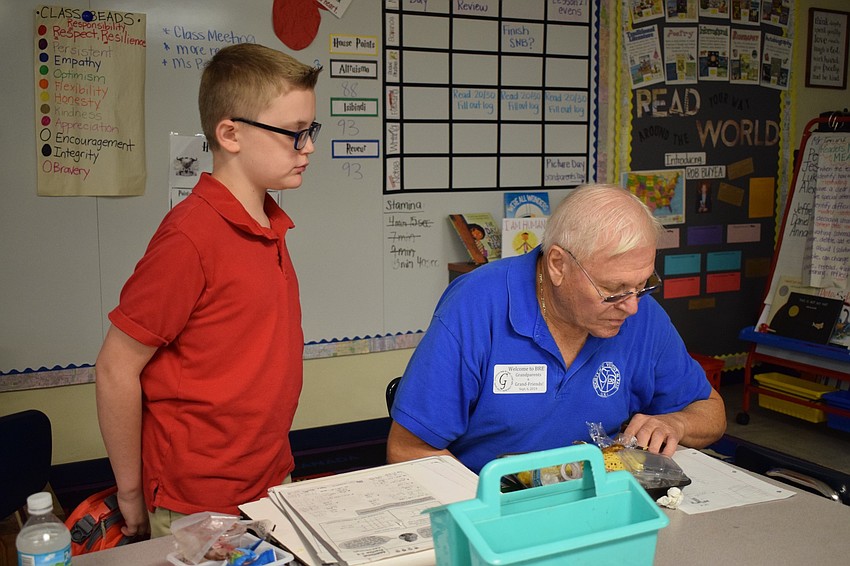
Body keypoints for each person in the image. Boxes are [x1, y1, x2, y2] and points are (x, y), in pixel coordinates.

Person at [95, 43, 321, 538]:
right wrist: (130, 494)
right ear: (230, 133)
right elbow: (116, 366)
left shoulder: (269, 222)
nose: (308, 148)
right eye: (295, 134)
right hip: (194, 501)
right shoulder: (190, 236)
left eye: (311, 131)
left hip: (267, 480)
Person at [387, 184, 726, 474]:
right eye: (614, 289)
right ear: (558, 265)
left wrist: (676, 423)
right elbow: (407, 450)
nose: (632, 306)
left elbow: (711, 412)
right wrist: (490, 516)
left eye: (642, 285)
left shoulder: (641, 313)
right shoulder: (476, 306)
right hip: (491, 506)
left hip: (598, 502)